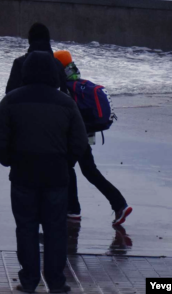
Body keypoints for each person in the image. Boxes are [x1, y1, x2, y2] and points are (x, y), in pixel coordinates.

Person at [0, 51, 90, 294]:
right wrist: (66, 163)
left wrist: (8, 160)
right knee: (56, 229)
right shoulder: (66, 103)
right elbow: (79, 141)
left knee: (26, 228)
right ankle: (56, 282)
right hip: (56, 177)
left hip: (23, 175)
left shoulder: (11, 100)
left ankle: (29, 280)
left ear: (26, 72)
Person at [52, 50, 132, 226]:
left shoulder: (63, 83)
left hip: (74, 135)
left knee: (68, 168)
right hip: (84, 133)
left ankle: (74, 210)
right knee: (88, 171)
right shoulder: (75, 78)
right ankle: (119, 204)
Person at [7, 23, 69, 95]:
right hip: (52, 105)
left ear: (29, 40)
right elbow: (64, 93)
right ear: (48, 39)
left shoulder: (19, 63)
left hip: (25, 105)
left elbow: (9, 94)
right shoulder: (58, 65)